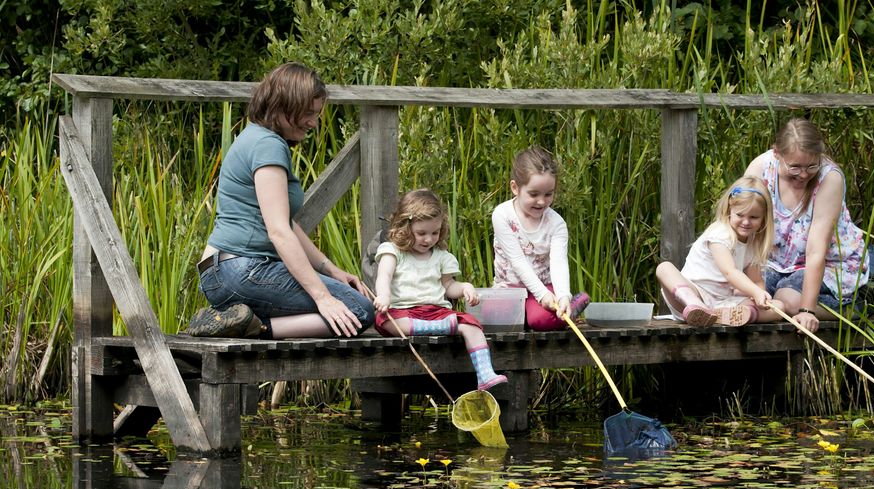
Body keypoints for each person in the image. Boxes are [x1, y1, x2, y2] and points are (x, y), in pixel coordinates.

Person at [185, 62, 374, 339]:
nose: (313, 122)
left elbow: (287, 224)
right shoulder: (268, 145)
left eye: (316, 114)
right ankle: (257, 329)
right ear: (283, 105)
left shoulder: (256, 137)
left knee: (348, 304)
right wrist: (324, 297)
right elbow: (279, 232)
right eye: (308, 113)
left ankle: (233, 321)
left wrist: (332, 270)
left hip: (223, 271)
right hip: (241, 269)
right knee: (358, 309)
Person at [744, 118, 874, 333]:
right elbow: (744, 222)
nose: (803, 174)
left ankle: (856, 306)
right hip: (776, 263)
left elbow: (816, 250)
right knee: (745, 293)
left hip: (828, 264)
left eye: (811, 166)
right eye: (795, 167)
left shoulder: (829, 178)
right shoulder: (760, 168)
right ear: (777, 154)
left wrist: (807, 311)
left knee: (788, 299)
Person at [373, 188, 507, 391]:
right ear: (405, 228)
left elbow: (449, 286)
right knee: (386, 322)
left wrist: (464, 288)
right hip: (404, 312)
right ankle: (440, 327)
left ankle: (485, 374)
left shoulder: (441, 256)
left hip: (436, 312)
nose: (428, 239)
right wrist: (384, 295)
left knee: (472, 325)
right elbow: (384, 275)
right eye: (421, 233)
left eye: (434, 233)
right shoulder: (393, 252)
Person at [656, 176, 788, 328]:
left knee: (779, 307)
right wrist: (754, 291)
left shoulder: (754, 242)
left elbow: (756, 280)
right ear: (729, 210)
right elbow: (729, 272)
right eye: (740, 215)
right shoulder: (720, 233)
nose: (746, 222)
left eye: (754, 217)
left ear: (764, 218)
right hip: (692, 294)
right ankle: (697, 307)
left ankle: (734, 315)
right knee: (664, 268)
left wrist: (760, 296)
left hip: (723, 302)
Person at [491, 146, 590, 332]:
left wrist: (562, 296)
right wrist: (541, 294)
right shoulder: (502, 215)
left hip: (544, 286)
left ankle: (568, 307)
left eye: (548, 194)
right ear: (515, 188)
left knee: (540, 321)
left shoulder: (556, 224)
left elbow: (559, 264)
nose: (542, 202)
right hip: (509, 289)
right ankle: (558, 314)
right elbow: (517, 261)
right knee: (493, 319)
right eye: (534, 194)